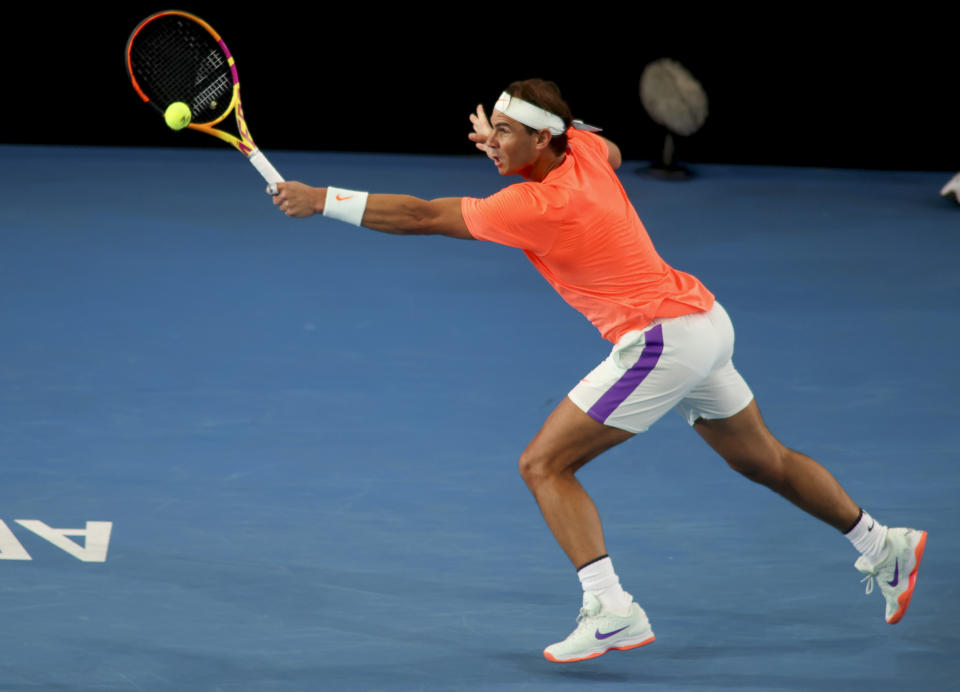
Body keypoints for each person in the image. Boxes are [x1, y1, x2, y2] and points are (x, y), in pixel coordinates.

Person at [270, 79, 928, 663]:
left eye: (506, 133)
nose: (492, 142)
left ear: (545, 138)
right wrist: (514, 146)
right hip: (705, 321)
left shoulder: (536, 207)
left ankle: (612, 610)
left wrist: (319, 198)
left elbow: (421, 215)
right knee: (764, 461)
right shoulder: (583, 150)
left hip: (661, 339)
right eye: (490, 129)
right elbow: (606, 152)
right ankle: (882, 543)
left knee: (544, 465)